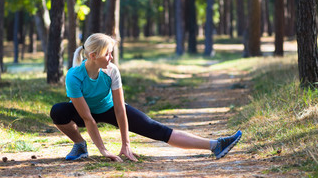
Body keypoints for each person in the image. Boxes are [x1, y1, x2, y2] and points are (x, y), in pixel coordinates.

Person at [50, 33, 242, 162]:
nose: (111, 58)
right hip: (84, 112)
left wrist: (126, 144)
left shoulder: (111, 71)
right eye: (108, 54)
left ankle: (215, 145)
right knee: (58, 112)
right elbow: (87, 118)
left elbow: (119, 109)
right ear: (92, 56)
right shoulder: (74, 76)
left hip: (108, 108)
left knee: (156, 128)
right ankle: (80, 145)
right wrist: (102, 150)